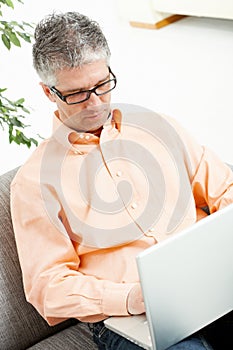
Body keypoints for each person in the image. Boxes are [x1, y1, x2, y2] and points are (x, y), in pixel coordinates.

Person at [10, 11, 233, 350]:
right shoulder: (33, 183)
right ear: (48, 92)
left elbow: (225, 189)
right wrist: (132, 298)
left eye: (101, 85)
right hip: (130, 315)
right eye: (78, 94)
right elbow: (48, 286)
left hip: (206, 284)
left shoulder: (157, 126)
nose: (95, 103)